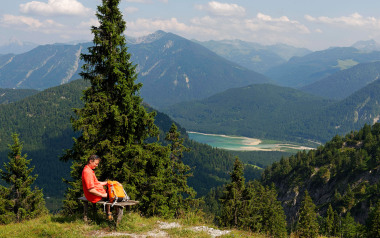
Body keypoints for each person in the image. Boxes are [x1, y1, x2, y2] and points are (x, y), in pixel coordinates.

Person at [82, 154, 112, 220]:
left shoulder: (89, 170)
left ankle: (108, 214)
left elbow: (95, 183)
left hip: (95, 193)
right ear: (90, 161)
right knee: (114, 196)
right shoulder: (88, 172)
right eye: (96, 163)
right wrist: (103, 195)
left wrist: (106, 183)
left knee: (111, 192)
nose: (97, 165)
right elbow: (91, 190)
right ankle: (110, 215)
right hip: (93, 196)